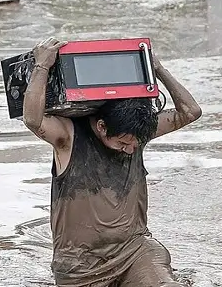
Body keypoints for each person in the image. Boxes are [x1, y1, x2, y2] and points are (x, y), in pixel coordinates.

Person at [22, 37, 202, 286]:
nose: (129, 150)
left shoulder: (136, 133)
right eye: (122, 143)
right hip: (79, 265)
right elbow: (33, 120)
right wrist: (42, 67)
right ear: (102, 127)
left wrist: (157, 68)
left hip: (134, 251)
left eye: (134, 145)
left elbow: (190, 112)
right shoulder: (68, 137)